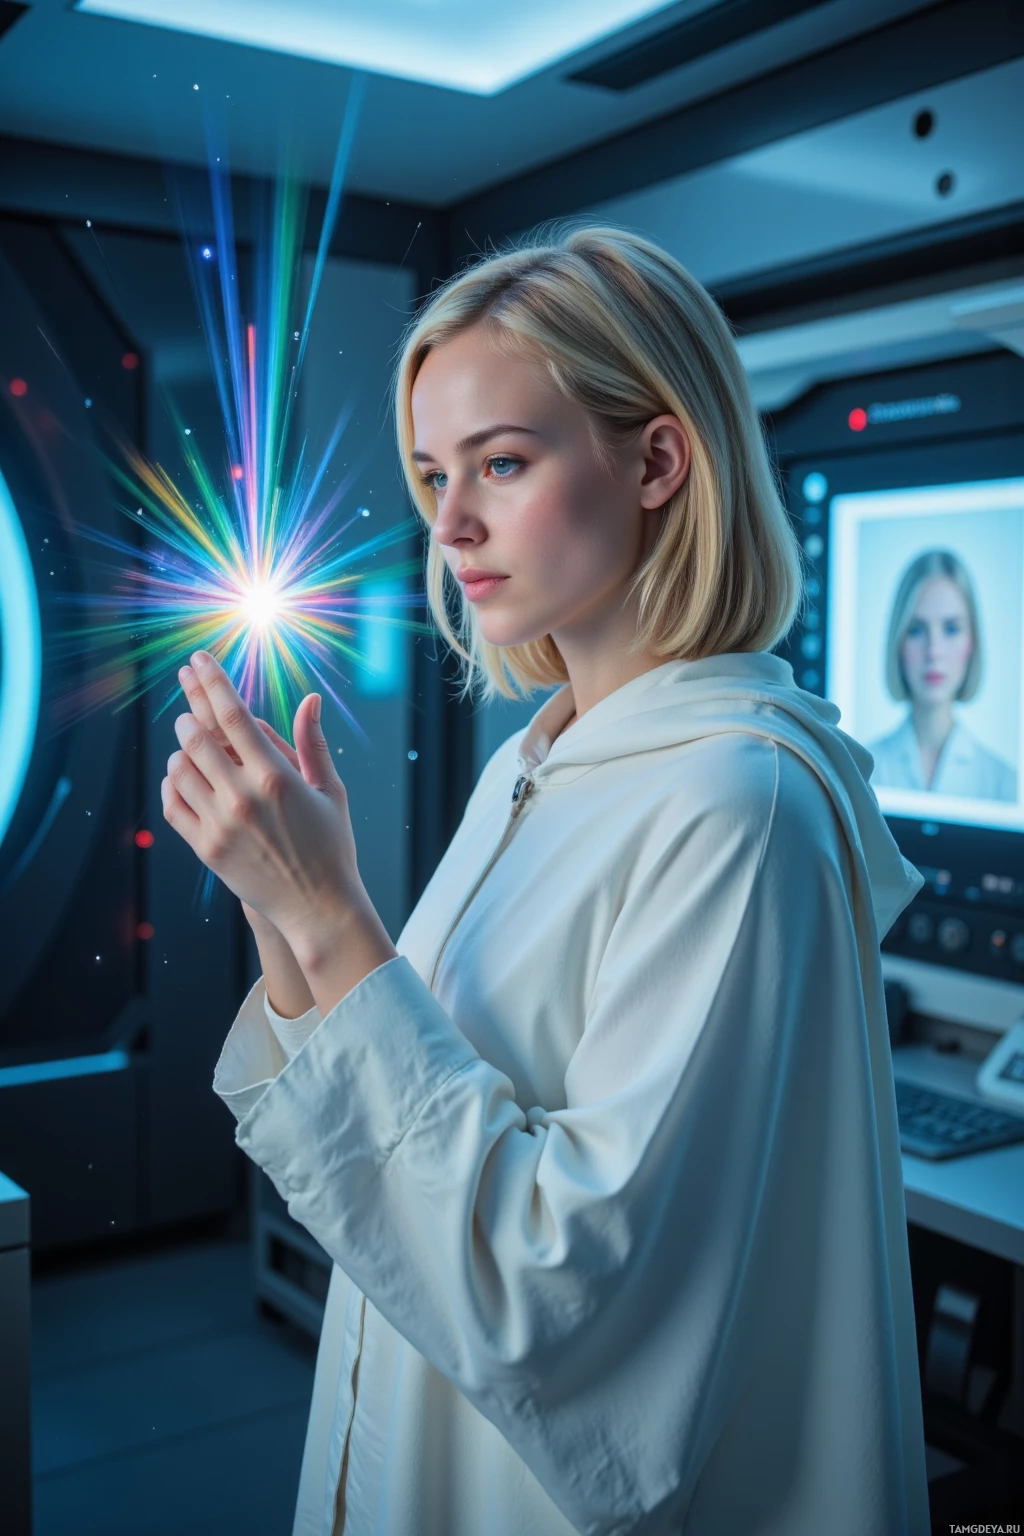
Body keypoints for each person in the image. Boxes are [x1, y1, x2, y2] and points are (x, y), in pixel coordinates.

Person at [162, 226, 929, 1536]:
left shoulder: (737, 805)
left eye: (502, 462)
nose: (450, 523)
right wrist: (284, 906)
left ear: (657, 462)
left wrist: (337, 920)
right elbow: (380, 1156)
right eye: (432, 474)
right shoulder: (535, 760)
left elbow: (564, 1297)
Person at [868, 548, 1017, 802]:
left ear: (972, 643)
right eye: (916, 630)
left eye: (951, 629)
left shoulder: (1004, 785)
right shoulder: (863, 772)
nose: (933, 652)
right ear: (898, 643)